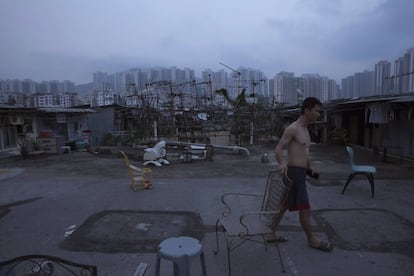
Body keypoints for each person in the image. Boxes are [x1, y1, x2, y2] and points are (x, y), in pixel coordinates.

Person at [267, 97, 333, 252]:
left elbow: (305, 153)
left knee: (284, 205)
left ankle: (270, 233)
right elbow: (278, 148)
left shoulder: (305, 130)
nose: (319, 114)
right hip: (293, 174)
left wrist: (311, 170)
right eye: (317, 111)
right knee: (305, 207)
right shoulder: (293, 128)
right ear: (307, 110)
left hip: (301, 173)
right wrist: (281, 163)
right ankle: (312, 240)